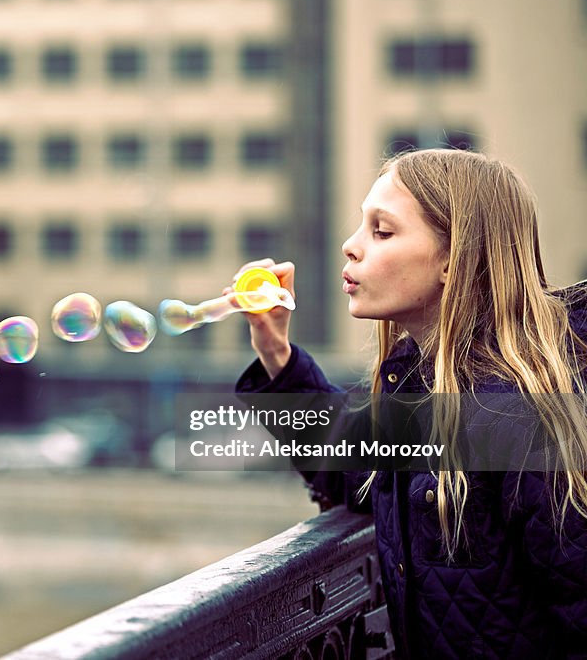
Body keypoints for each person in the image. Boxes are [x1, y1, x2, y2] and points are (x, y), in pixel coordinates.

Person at [229, 148, 587, 659]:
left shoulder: (520, 416)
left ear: (453, 260)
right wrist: (276, 354)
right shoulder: (426, 394)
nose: (350, 247)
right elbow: (348, 464)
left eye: (382, 230)